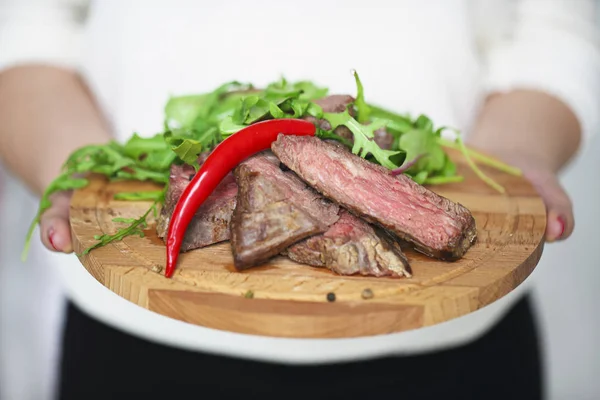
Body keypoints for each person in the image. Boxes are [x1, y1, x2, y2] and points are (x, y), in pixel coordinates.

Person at [0, 0, 598, 399]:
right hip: (135, 345)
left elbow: (551, 32)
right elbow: (27, 30)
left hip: (455, 345)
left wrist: (518, 152)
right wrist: (70, 163)